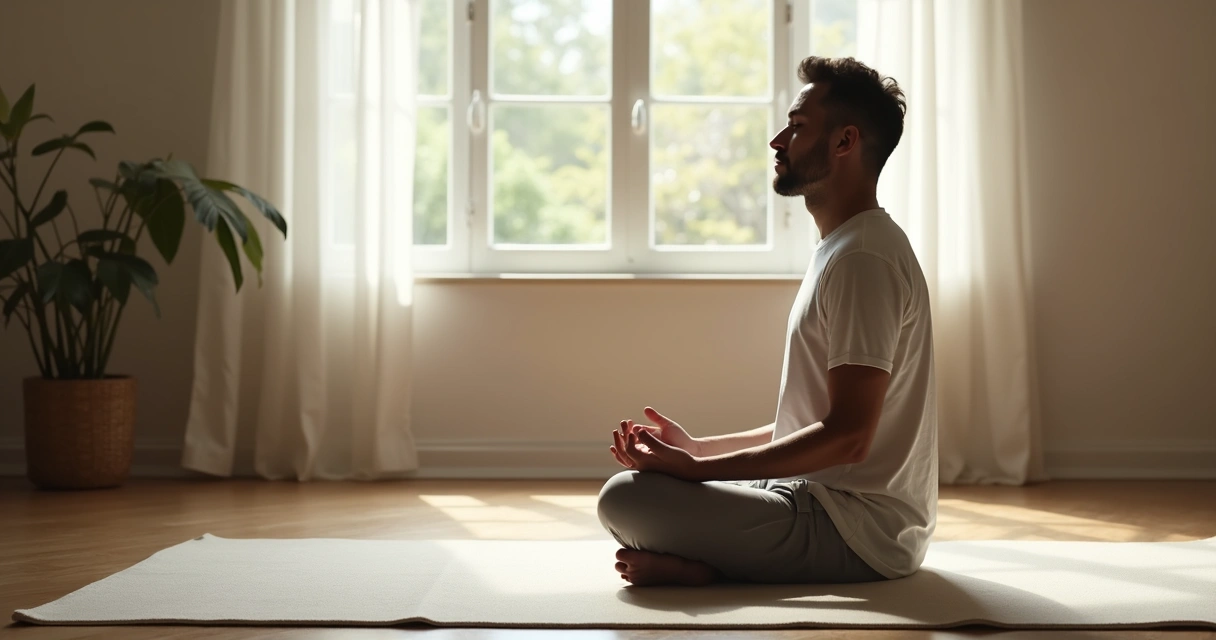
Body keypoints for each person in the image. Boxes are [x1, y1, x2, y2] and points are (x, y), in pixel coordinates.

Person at [596, 56, 936, 587]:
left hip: (856, 531)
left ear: (844, 142)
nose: (778, 141)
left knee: (625, 499)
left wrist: (699, 472)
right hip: (810, 499)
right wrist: (697, 450)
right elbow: (811, 421)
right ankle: (714, 562)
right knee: (643, 490)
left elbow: (849, 437)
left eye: (797, 126)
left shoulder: (863, 258)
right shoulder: (844, 247)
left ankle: (712, 570)